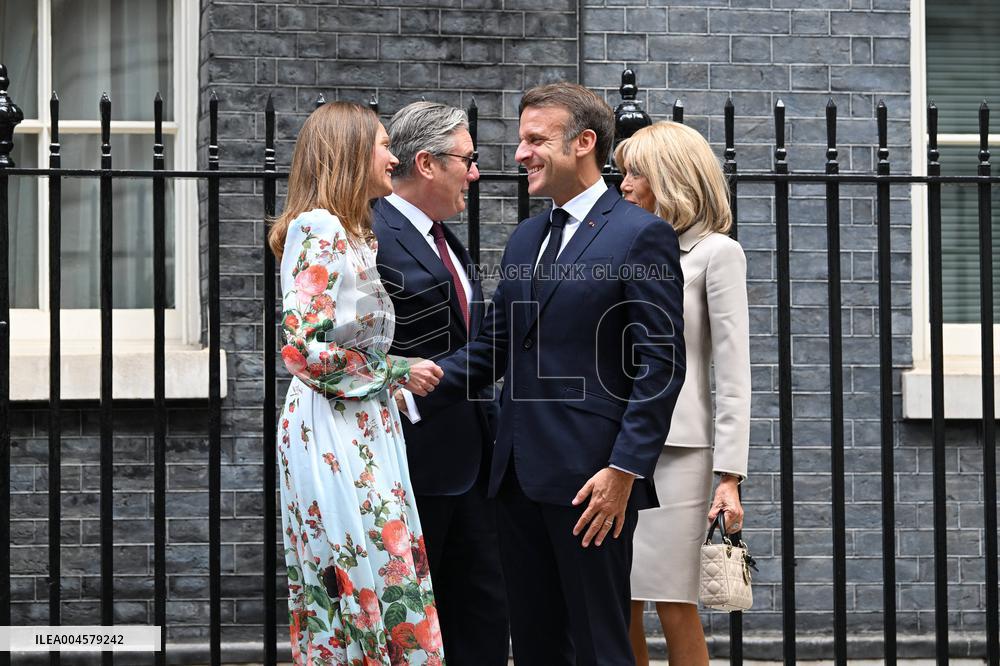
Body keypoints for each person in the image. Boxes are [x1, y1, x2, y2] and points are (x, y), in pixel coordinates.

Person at [412, 83, 686, 665]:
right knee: (535, 647)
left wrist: (623, 471)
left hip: (594, 486)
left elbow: (660, 368)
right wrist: (396, 388)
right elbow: (492, 351)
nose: (519, 154)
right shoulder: (526, 238)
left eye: (535, 139)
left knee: (599, 646)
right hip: (513, 481)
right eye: (521, 139)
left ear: (584, 143)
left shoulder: (640, 234)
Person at [268, 101, 447, 665]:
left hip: (363, 422)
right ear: (349, 153)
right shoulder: (317, 227)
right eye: (384, 145)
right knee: (359, 560)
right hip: (331, 428)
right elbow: (303, 348)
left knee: (380, 556)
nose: (393, 158)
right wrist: (397, 369)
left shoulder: (353, 234)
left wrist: (383, 381)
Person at [371, 101, 509, 665]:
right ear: (426, 163)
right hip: (415, 463)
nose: (475, 173)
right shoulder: (372, 236)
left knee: (481, 615)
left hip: (473, 462)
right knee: (417, 627)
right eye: (467, 160)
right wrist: (488, 354)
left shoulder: (444, 239)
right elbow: (358, 353)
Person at [615, 121, 751, 666]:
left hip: (679, 454)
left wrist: (730, 477)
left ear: (670, 178)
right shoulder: (621, 243)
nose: (623, 184)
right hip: (617, 446)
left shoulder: (717, 253)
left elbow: (735, 373)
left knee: (673, 601)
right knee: (618, 600)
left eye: (635, 172)